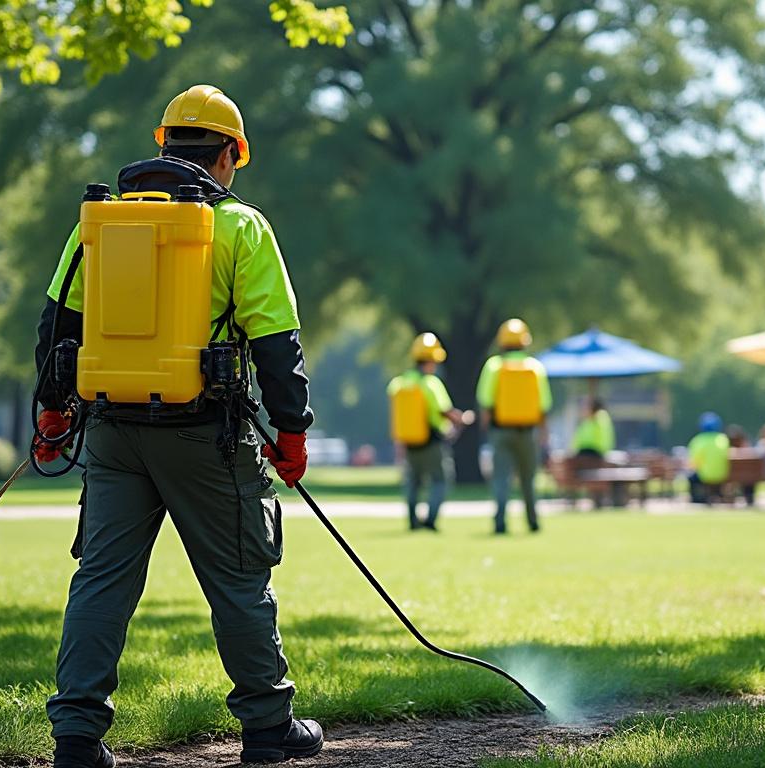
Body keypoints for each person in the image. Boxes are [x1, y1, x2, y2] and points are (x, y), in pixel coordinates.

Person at [33, 85, 322, 767]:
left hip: (111, 431)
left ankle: (76, 736)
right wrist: (292, 432)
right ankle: (267, 728)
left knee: (102, 580)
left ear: (163, 144)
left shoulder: (97, 222)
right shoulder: (242, 227)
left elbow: (56, 329)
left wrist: (51, 410)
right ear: (231, 154)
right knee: (240, 579)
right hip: (207, 436)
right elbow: (278, 343)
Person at [477, 318, 553, 534]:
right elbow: (543, 406)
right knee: (528, 479)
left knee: (501, 478)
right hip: (528, 432)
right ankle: (533, 522)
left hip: (500, 431)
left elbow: (486, 402)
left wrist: (486, 430)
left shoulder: (494, 367)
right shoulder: (535, 368)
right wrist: (544, 434)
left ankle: (500, 522)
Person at [388, 333, 463, 531]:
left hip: (409, 442)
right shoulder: (431, 383)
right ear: (431, 360)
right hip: (432, 443)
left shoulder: (399, 383)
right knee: (440, 480)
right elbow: (444, 411)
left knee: (413, 483)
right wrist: (461, 419)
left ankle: (412, 521)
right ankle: (430, 520)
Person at [687, 412, 730, 504]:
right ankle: (718, 494)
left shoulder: (698, 440)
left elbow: (694, 463)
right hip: (722, 474)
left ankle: (696, 498)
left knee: (691, 477)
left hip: (705, 476)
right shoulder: (723, 439)